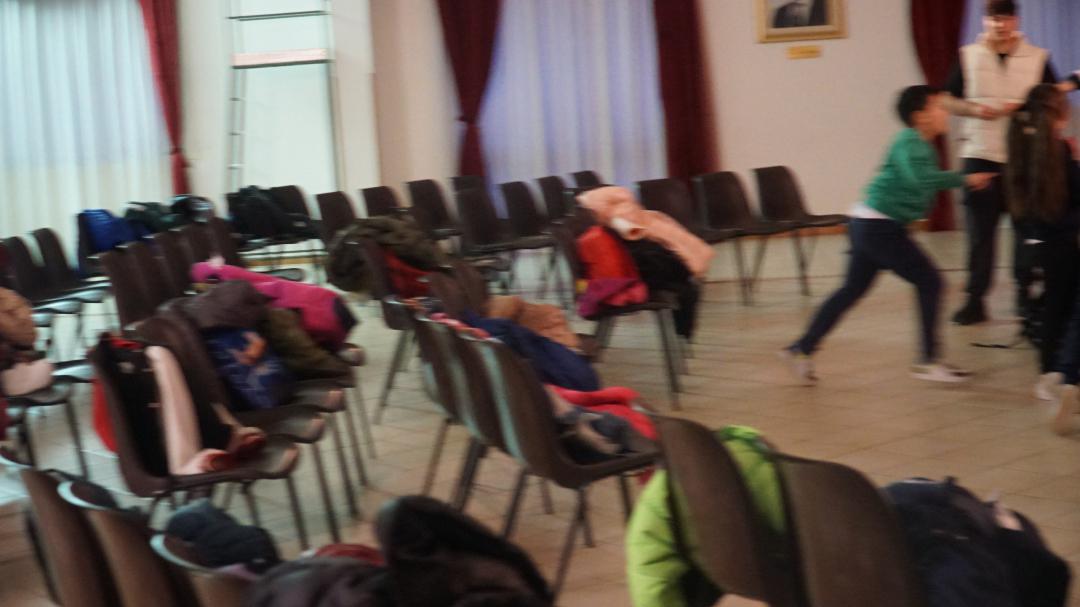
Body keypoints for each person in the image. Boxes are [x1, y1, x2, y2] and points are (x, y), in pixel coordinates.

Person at [783, 86, 995, 385]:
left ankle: (801, 348)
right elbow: (919, 179)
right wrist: (965, 178)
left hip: (867, 222)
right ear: (920, 116)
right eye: (938, 107)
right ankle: (928, 361)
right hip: (878, 226)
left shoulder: (918, 144)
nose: (945, 112)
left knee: (851, 290)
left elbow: (920, 181)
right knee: (930, 282)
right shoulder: (910, 141)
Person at [944, 0, 1059, 326]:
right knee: (979, 234)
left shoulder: (1037, 57)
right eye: (994, 18)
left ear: (1016, 20)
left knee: (1026, 230)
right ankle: (975, 300)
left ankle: (1025, 296)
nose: (1000, 25)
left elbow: (1053, 101)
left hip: (1024, 157)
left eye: (1006, 18)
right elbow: (947, 99)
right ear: (985, 21)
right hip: (979, 153)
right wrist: (974, 110)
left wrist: (1022, 107)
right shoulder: (968, 55)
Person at [1004, 85, 1080, 410]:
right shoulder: (1058, 151)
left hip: (1031, 243)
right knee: (1063, 308)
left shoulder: (1018, 145)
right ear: (1059, 114)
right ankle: (1057, 373)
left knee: (1051, 307)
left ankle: (1050, 372)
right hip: (1060, 243)